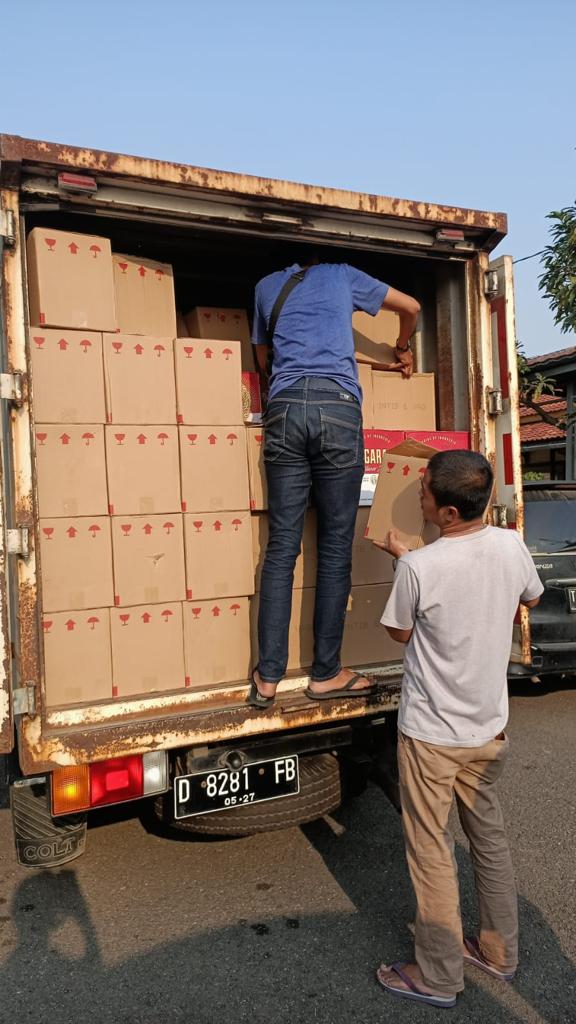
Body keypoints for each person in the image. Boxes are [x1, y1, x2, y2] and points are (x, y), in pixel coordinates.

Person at [375, 450, 544, 1009]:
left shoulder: (420, 567)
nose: (417, 496)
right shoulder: (510, 546)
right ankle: (499, 953)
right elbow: (532, 596)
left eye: (423, 492)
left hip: (431, 734)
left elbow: (400, 633)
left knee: (430, 850)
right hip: (487, 730)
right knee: (488, 841)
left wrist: (404, 559)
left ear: (448, 512)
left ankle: (438, 976)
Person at [247, 258, 420, 708]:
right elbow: (412, 307)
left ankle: (267, 677)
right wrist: (401, 346)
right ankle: (325, 673)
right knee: (335, 546)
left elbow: (264, 360)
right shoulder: (342, 275)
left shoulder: (265, 285)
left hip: (284, 408)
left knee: (281, 546)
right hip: (338, 408)